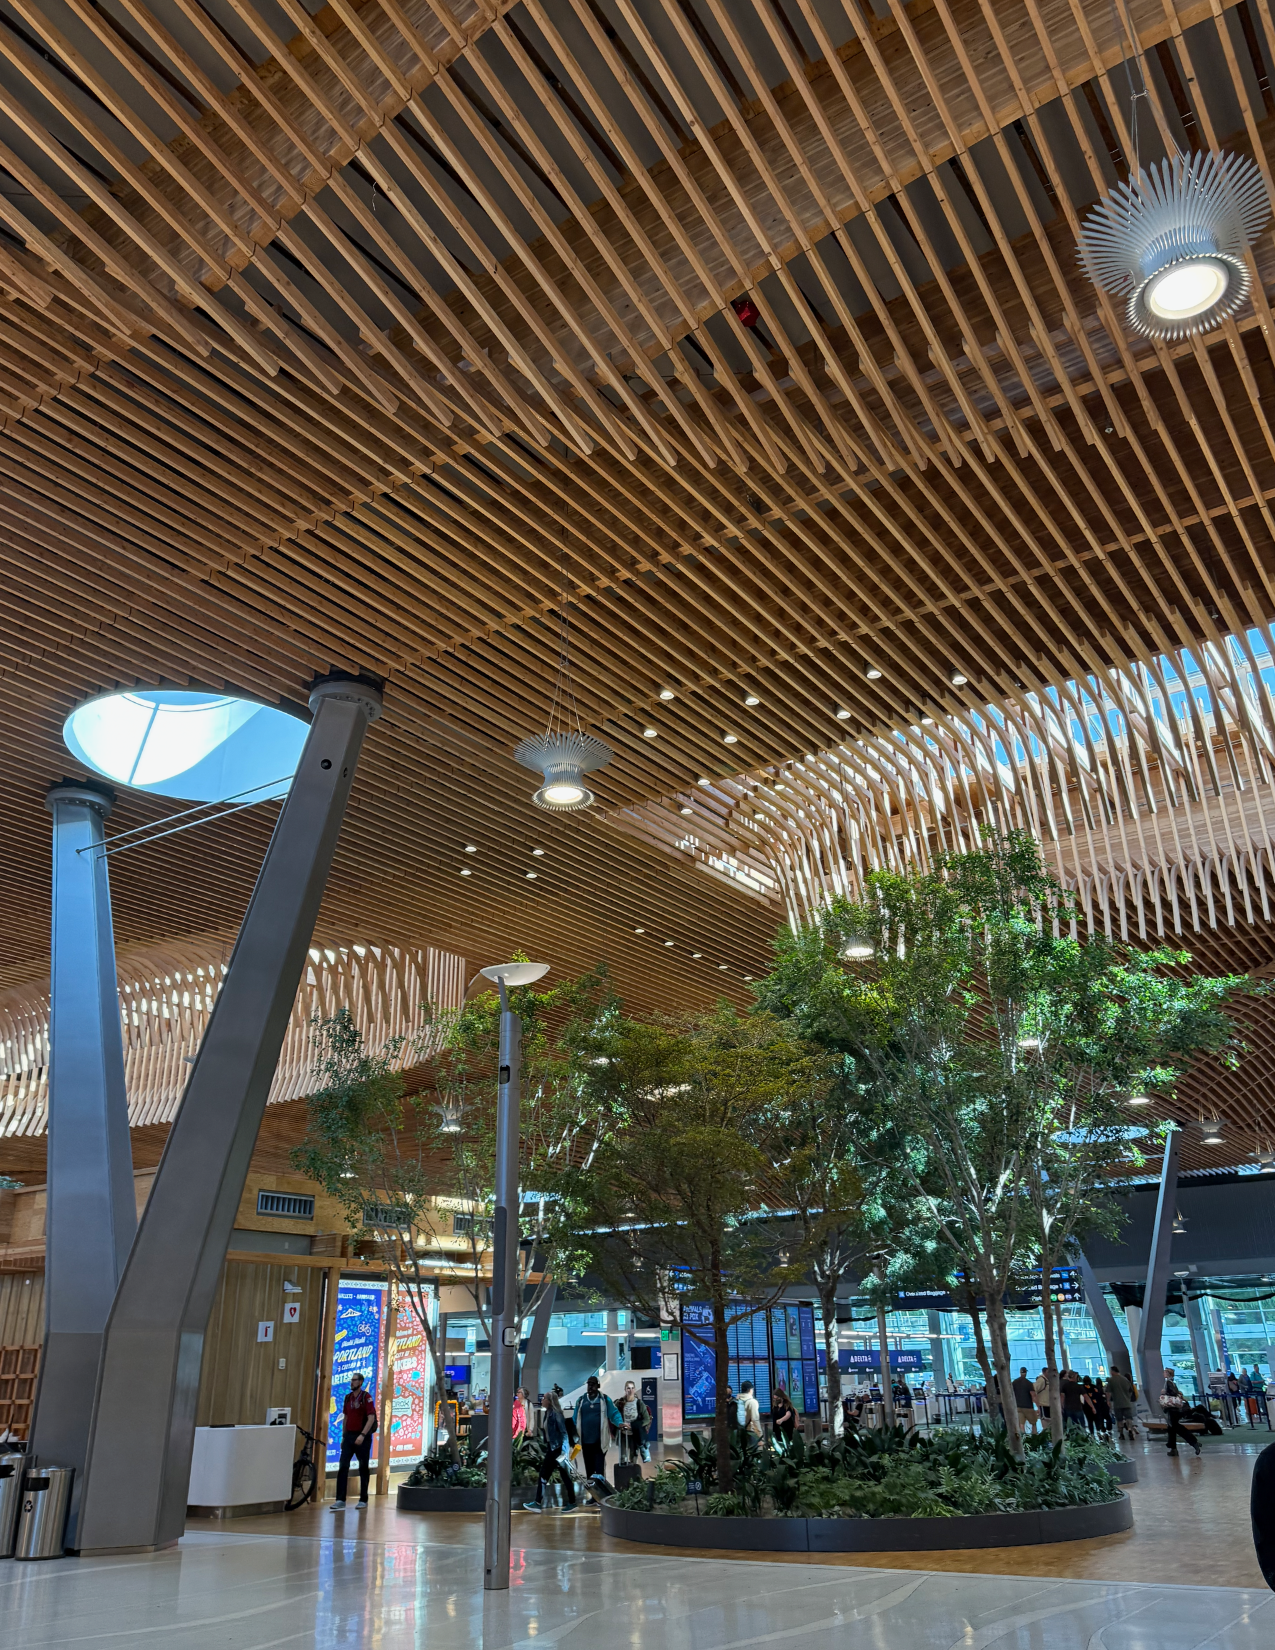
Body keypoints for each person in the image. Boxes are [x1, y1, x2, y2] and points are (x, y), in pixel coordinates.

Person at [331, 1370, 377, 1510]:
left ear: (361, 1382)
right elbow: (345, 1417)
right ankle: (340, 1500)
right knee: (343, 1466)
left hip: (362, 1436)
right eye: (351, 1380)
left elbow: (371, 1417)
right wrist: (343, 1436)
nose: (352, 1382)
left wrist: (362, 1435)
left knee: (363, 1467)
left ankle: (363, 1499)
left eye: (355, 1380)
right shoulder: (347, 1398)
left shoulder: (366, 1397)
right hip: (349, 1436)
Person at [526, 1391, 575, 1511]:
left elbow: (564, 1433)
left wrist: (564, 1451)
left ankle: (538, 1502)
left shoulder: (556, 1414)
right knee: (556, 1475)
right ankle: (571, 1502)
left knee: (548, 1474)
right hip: (551, 1448)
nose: (542, 1401)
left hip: (556, 1450)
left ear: (549, 1401)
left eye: (544, 1399)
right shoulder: (548, 1413)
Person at [573, 1375, 620, 1481]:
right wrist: (572, 1434)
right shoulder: (581, 1400)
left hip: (599, 1442)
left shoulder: (604, 1400)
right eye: (589, 1384)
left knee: (599, 1470)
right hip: (585, 1442)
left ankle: (601, 1495)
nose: (590, 1387)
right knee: (589, 1470)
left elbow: (614, 1413)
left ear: (598, 1386)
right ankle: (594, 1496)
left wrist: (620, 1423)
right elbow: (575, 1419)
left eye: (593, 1384)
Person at [1162, 1370, 1201, 1457]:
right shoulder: (1172, 1382)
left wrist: (1164, 1393)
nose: (1163, 1374)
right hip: (1174, 1409)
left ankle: (1193, 1442)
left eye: (1165, 1372)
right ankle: (1173, 1448)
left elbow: (1173, 1393)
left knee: (1176, 1427)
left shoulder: (1168, 1382)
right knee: (1171, 1428)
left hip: (1172, 1409)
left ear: (1168, 1374)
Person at [617, 1379, 650, 1463]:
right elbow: (614, 1415)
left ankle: (633, 1474)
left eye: (632, 1388)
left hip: (635, 1434)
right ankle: (623, 1475)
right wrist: (620, 1424)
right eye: (628, 1388)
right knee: (622, 1457)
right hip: (623, 1434)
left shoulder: (639, 1403)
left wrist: (636, 1425)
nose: (630, 1390)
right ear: (625, 1390)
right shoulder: (619, 1403)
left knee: (633, 1457)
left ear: (635, 1390)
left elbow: (647, 1419)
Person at [1107, 1365, 1137, 1440]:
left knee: (1119, 1419)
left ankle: (1121, 1433)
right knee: (1128, 1417)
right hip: (1127, 1402)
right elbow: (1131, 1391)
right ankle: (1130, 1429)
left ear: (1113, 1371)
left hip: (1117, 1403)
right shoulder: (1125, 1379)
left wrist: (1108, 1401)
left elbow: (1108, 1392)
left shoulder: (1111, 1380)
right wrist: (1127, 1398)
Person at [1012, 1366, 1037, 1435]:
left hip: (1018, 1406)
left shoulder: (1014, 1382)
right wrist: (1038, 1405)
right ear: (1026, 1373)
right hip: (1028, 1406)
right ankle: (1035, 1437)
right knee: (1033, 1423)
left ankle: (1023, 1437)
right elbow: (1033, 1395)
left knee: (1021, 1423)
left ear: (1020, 1372)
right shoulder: (1029, 1383)